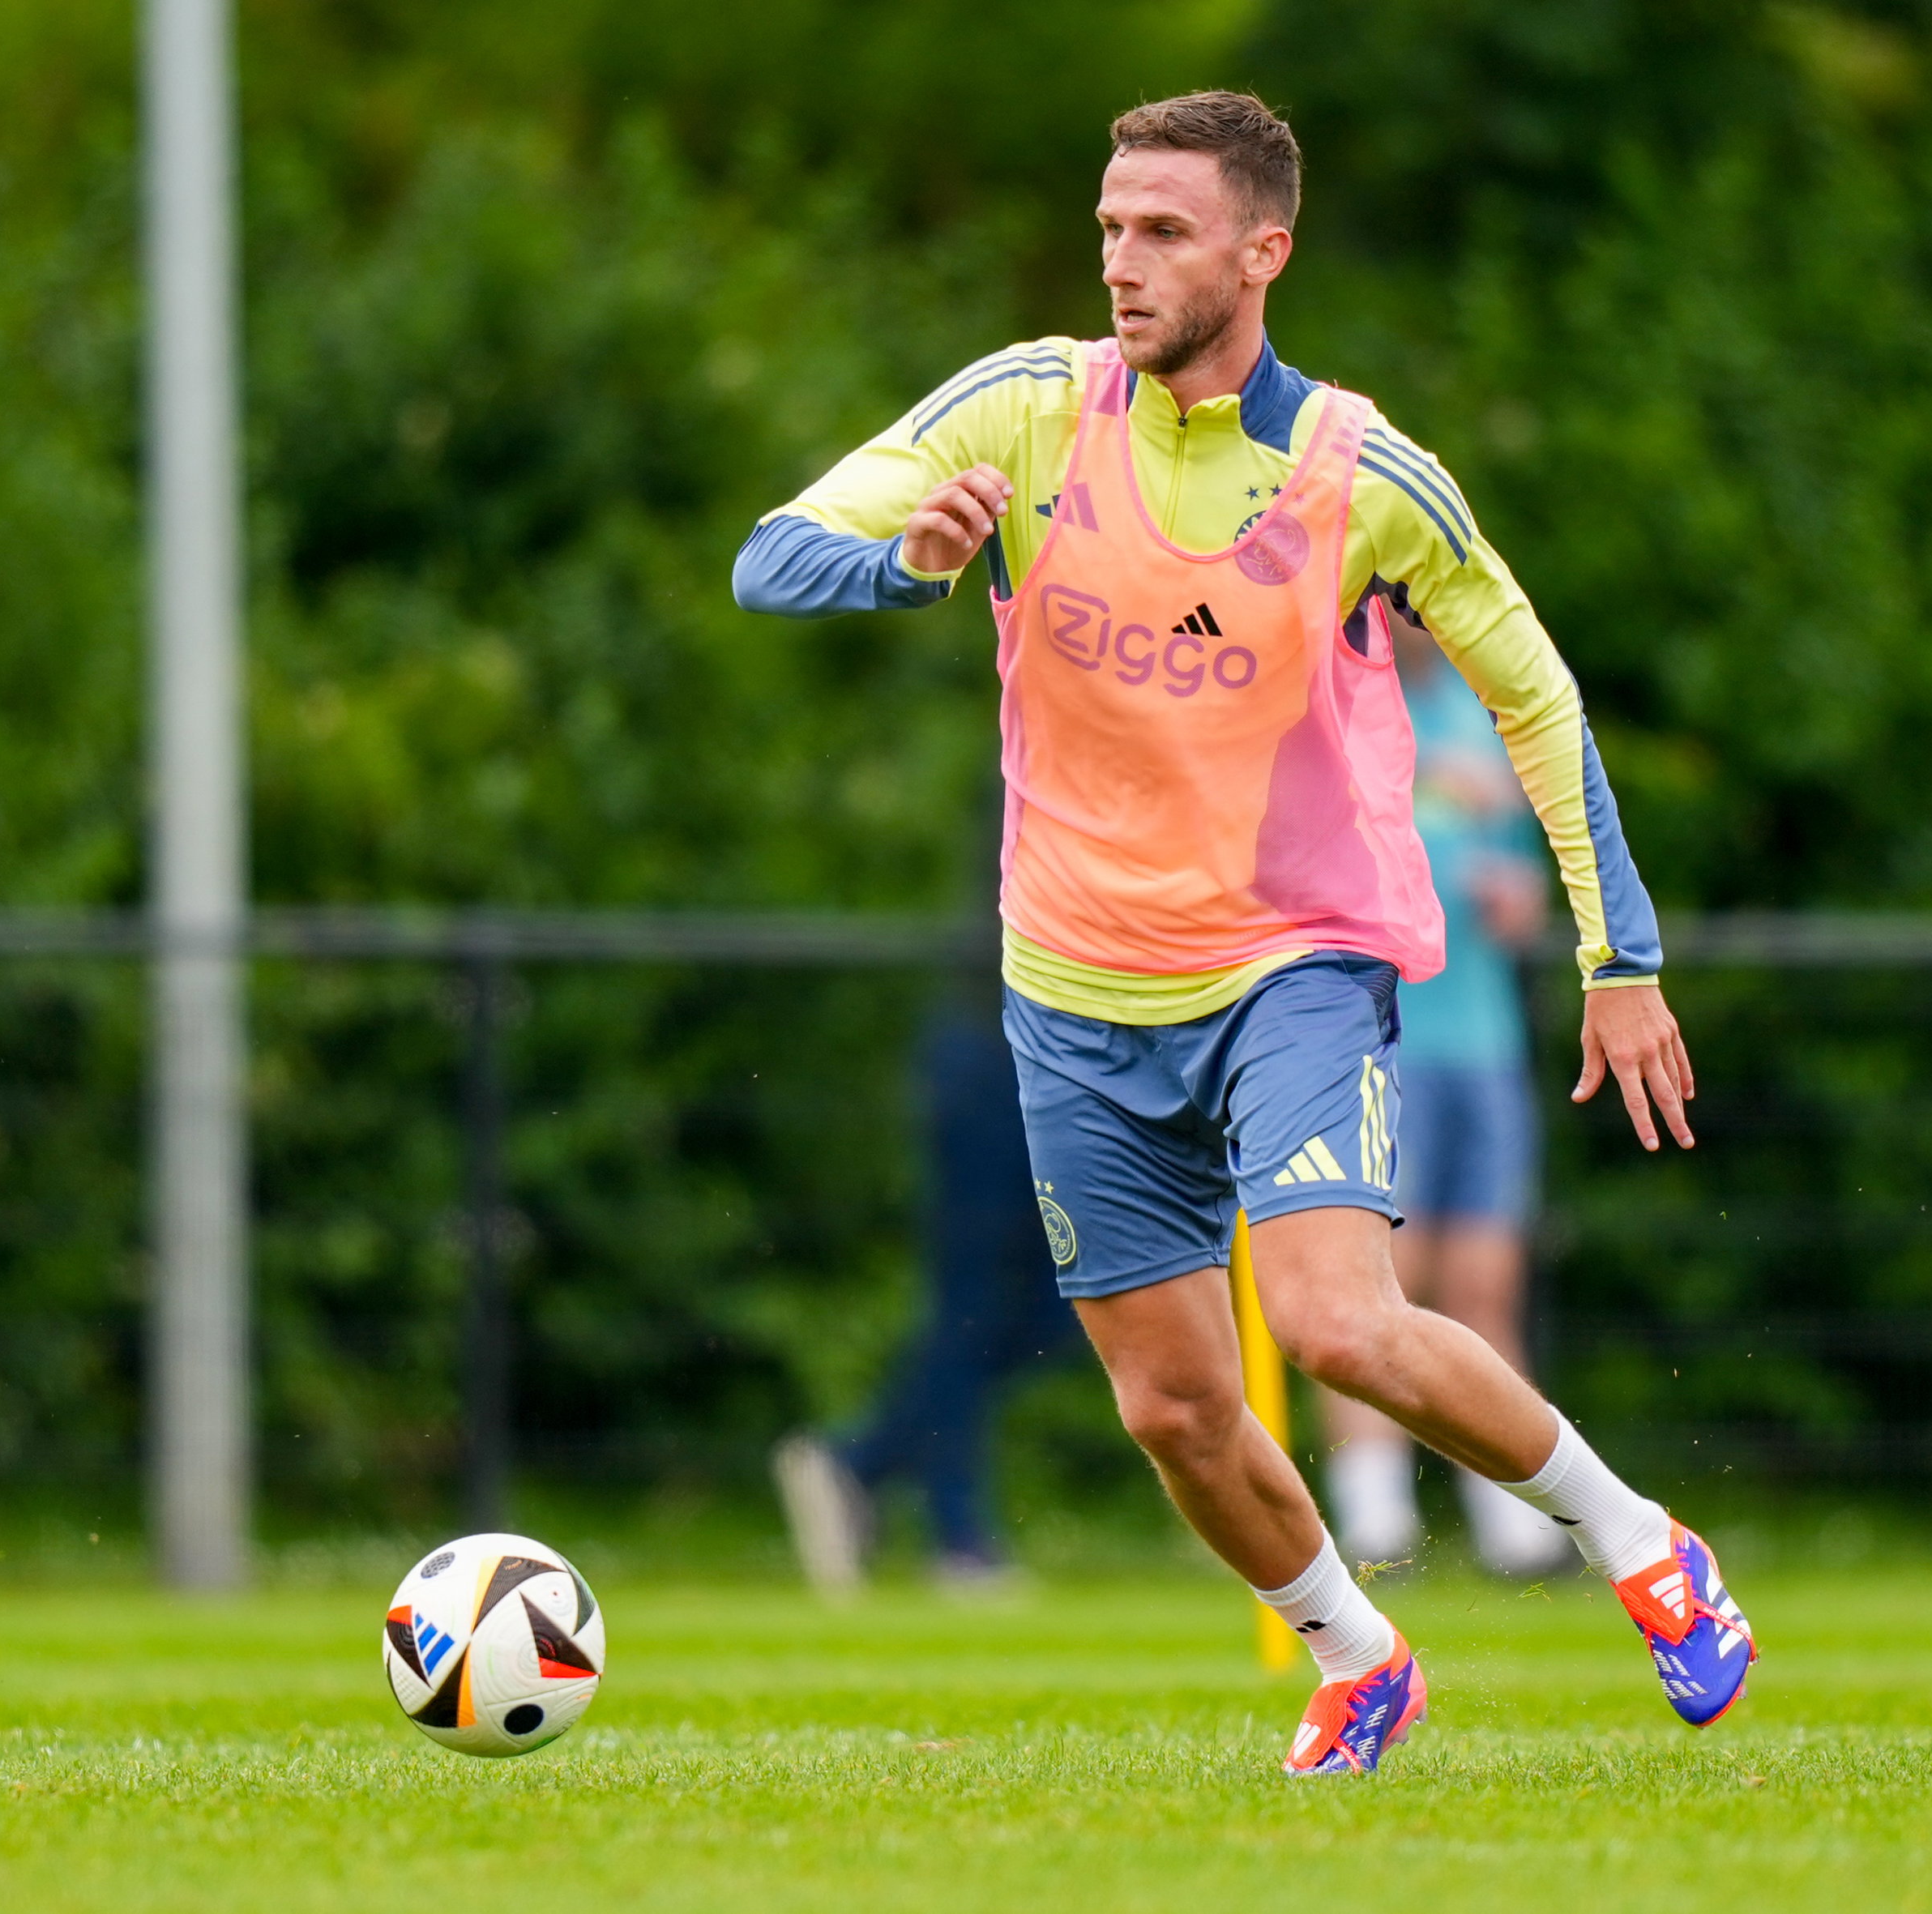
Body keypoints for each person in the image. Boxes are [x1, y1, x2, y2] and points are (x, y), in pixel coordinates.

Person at [733, 92, 1753, 1774]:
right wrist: (903, 571)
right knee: (1170, 1408)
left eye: (1162, 233)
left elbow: (1535, 693)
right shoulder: (1027, 409)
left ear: (1261, 251)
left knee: (1339, 1323)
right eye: (1108, 230)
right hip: (1066, 983)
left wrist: (1616, 956)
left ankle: (1635, 1535)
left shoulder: (1361, 472)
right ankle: (1357, 1654)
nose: (1121, 264)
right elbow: (769, 559)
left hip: (1293, 959)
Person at [1319, 616, 1574, 1577]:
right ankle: (1375, 1518)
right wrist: (1429, 793)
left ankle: (1515, 1518)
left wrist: (1519, 897)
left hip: (1485, 1041)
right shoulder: (1334, 702)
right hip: (1380, 1043)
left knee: (1484, 1288)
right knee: (1378, 1285)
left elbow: (1517, 873)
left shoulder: (1476, 713)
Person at [773, 989, 1077, 1594]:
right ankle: (957, 1537)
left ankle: (860, 1460)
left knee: (1063, 1309)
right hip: (990, 1052)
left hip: (1068, 1065)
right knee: (969, 1309)